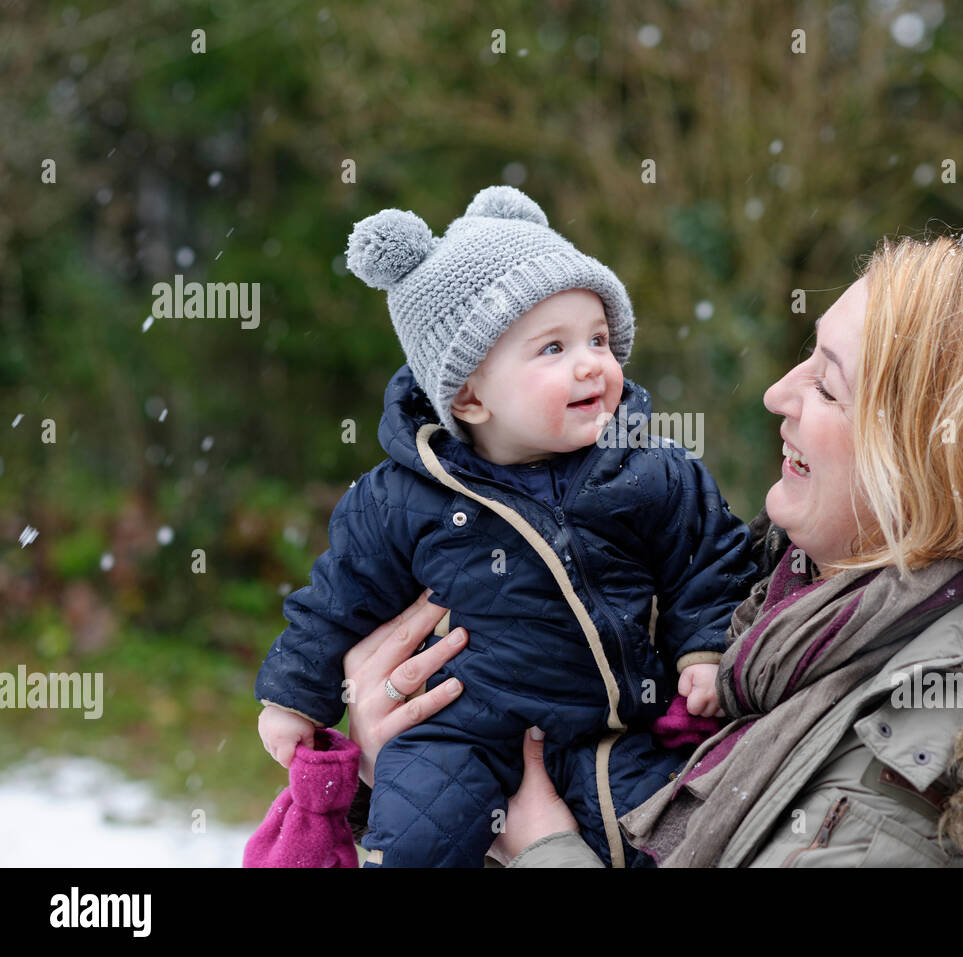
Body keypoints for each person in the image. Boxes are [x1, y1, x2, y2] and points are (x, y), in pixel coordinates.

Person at [343, 232, 963, 867]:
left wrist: (541, 848)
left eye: (826, 383)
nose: (778, 393)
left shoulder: (924, 772)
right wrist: (432, 763)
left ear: (924, 458)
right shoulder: (767, 630)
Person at [253, 186, 755, 867]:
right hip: (455, 729)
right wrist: (294, 696)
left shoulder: (647, 470)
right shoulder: (402, 496)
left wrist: (701, 649)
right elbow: (337, 597)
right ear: (468, 394)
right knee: (420, 836)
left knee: (653, 832)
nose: (591, 363)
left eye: (599, 339)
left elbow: (708, 555)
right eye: (552, 347)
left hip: (608, 728)